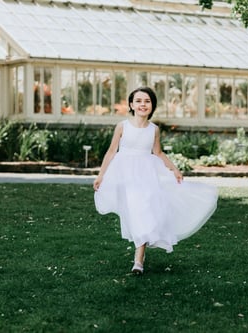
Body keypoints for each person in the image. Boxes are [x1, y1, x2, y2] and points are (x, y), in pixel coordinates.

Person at [93, 87, 218, 274]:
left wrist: (174, 169)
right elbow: (111, 151)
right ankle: (141, 252)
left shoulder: (154, 130)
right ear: (131, 105)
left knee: (144, 210)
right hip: (126, 174)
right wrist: (101, 175)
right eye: (139, 101)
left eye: (147, 101)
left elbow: (158, 152)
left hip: (147, 174)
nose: (143, 104)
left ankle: (138, 261)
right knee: (136, 212)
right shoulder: (122, 126)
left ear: (152, 106)